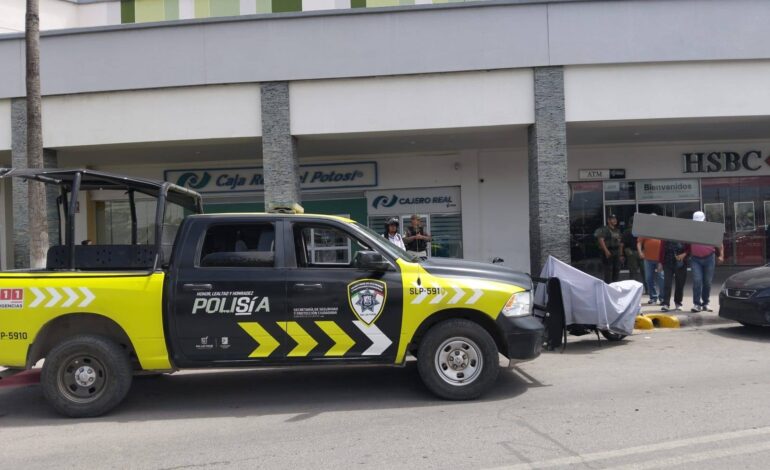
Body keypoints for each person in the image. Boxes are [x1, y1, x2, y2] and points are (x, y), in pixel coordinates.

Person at [689, 211, 724, 312]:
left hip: (709, 258)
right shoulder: (690, 230)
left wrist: (721, 255)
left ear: (704, 219)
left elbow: (719, 243)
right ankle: (696, 304)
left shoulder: (711, 229)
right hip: (695, 259)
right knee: (697, 281)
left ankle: (706, 303)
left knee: (707, 282)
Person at [637, 216, 664, 304]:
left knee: (661, 278)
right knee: (648, 278)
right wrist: (640, 252)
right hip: (648, 259)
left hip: (660, 259)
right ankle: (653, 297)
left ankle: (662, 298)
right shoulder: (645, 230)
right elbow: (639, 242)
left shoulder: (662, 229)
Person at [658, 239, 689, 312]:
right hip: (668, 263)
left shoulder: (684, 235)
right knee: (667, 284)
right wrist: (660, 262)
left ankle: (678, 303)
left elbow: (689, 248)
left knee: (680, 284)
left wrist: (684, 254)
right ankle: (666, 304)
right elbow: (662, 249)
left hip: (680, 263)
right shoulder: (666, 235)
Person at [595, 214, 624, 283]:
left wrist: (621, 254)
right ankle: (608, 287)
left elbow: (620, 243)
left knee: (616, 270)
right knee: (608, 271)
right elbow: (601, 240)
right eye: (612, 219)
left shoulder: (617, 230)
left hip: (616, 252)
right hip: (609, 251)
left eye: (615, 219)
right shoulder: (604, 229)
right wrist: (606, 251)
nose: (615, 220)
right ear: (608, 220)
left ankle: (614, 287)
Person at [622, 217, 643, 285]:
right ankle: (648, 289)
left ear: (630, 223)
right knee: (645, 272)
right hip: (641, 253)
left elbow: (622, 244)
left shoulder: (626, 231)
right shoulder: (641, 231)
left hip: (632, 253)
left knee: (633, 272)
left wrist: (621, 255)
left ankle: (634, 288)